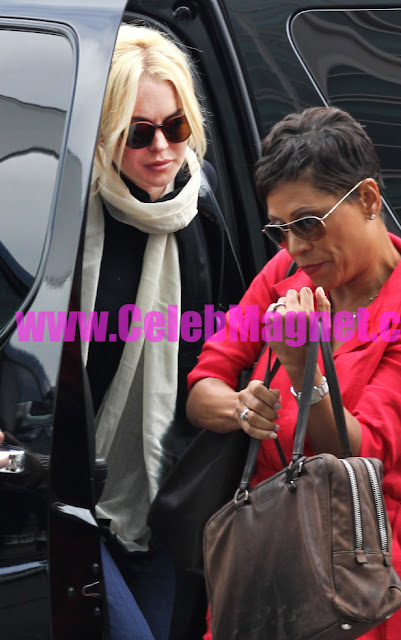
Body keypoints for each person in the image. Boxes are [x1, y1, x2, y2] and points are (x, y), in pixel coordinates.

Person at [187, 106, 401, 640]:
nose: (296, 246)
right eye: (279, 230)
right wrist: (241, 408)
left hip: (371, 576)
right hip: (269, 553)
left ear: (368, 200)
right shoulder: (287, 274)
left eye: (308, 223)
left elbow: (362, 457)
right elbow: (205, 384)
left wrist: (304, 372)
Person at [82, 23, 243, 640]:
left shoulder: (199, 204)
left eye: (175, 126)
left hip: (167, 490)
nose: (161, 148)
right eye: (137, 132)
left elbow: (230, 331)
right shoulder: (66, 212)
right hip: (65, 487)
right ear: (102, 133)